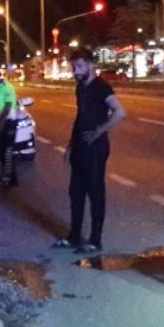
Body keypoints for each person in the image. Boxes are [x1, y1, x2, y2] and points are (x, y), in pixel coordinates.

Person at [53, 47, 126, 254]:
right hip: (80, 147)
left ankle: (95, 240)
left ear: (91, 65)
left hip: (96, 148)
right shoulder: (81, 87)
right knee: (75, 192)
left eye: (79, 66)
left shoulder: (101, 87)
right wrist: (71, 144)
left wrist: (99, 131)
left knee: (95, 192)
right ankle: (74, 236)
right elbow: (80, 117)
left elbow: (120, 112)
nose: (75, 71)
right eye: (73, 67)